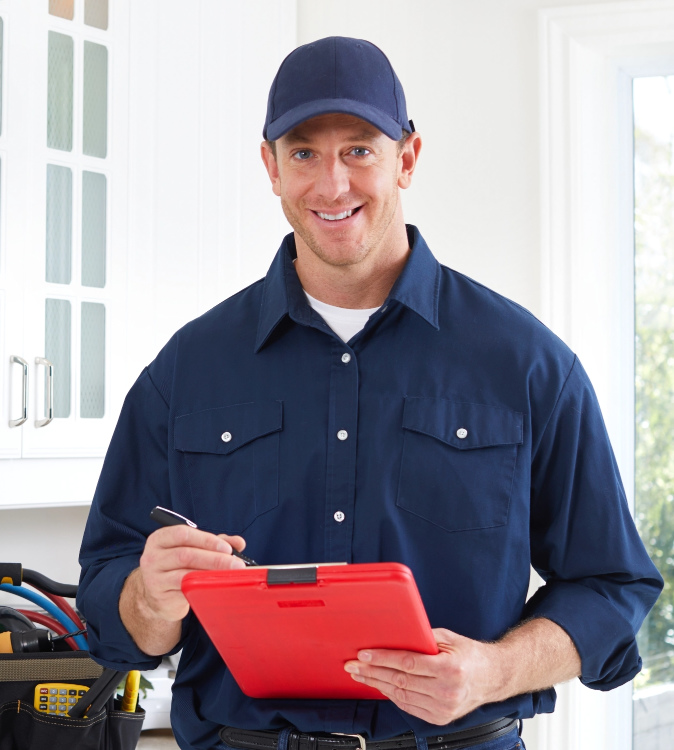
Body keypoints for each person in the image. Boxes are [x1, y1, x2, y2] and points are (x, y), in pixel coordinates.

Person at [78, 36, 663, 750]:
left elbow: (612, 587)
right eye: (303, 153)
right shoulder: (186, 370)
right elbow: (110, 599)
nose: (331, 185)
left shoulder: (527, 363)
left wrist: (493, 670)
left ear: (406, 158)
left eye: (359, 149)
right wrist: (148, 596)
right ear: (269, 166)